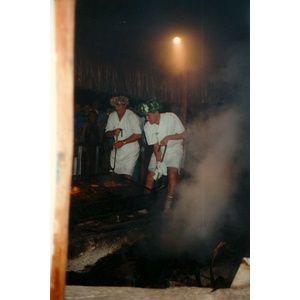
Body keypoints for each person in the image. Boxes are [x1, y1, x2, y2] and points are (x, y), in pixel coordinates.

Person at [136, 98, 186, 213]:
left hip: (174, 150)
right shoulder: (147, 126)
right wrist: (159, 163)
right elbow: (155, 146)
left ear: (156, 113)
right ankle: (145, 204)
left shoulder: (171, 117)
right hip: (159, 150)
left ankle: (167, 206)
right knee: (150, 176)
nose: (146, 118)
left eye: (148, 115)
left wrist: (168, 137)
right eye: (145, 116)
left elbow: (184, 135)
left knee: (172, 175)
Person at [105, 96, 142, 180]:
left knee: (127, 176)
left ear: (125, 105)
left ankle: (127, 191)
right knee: (113, 174)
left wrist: (123, 142)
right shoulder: (112, 115)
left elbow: (138, 134)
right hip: (117, 150)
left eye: (118, 106)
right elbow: (107, 133)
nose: (116, 108)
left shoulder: (131, 116)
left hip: (130, 151)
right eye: (115, 106)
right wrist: (114, 132)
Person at [81, 109, 103, 176]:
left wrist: (100, 143)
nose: (91, 117)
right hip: (88, 144)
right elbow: (83, 135)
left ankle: (95, 175)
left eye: (93, 115)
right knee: (88, 161)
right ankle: (87, 175)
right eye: (90, 115)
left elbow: (100, 135)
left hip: (96, 145)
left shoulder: (98, 124)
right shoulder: (86, 124)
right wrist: (83, 145)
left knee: (96, 161)